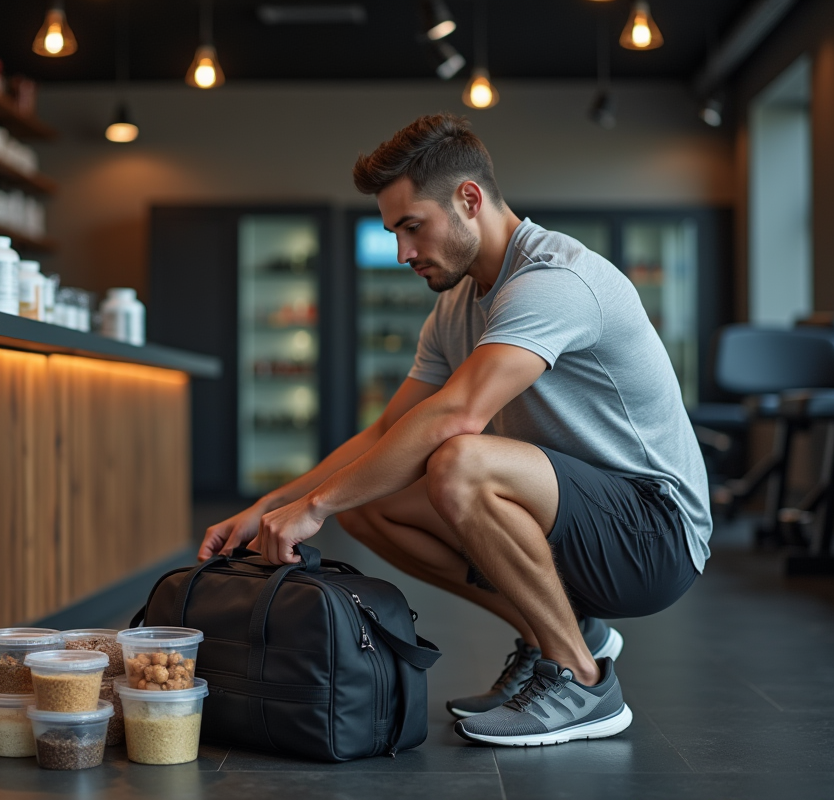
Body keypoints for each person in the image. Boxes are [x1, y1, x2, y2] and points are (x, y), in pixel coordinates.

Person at [199, 113, 711, 747]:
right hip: (575, 519)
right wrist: (271, 506)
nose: (403, 252)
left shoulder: (554, 280)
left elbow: (456, 415)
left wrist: (314, 507)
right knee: (371, 500)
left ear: (469, 199)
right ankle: (557, 635)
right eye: (393, 232)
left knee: (458, 460)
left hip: (655, 535)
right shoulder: (454, 306)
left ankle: (583, 681)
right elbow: (388, 430)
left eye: (412, 227)